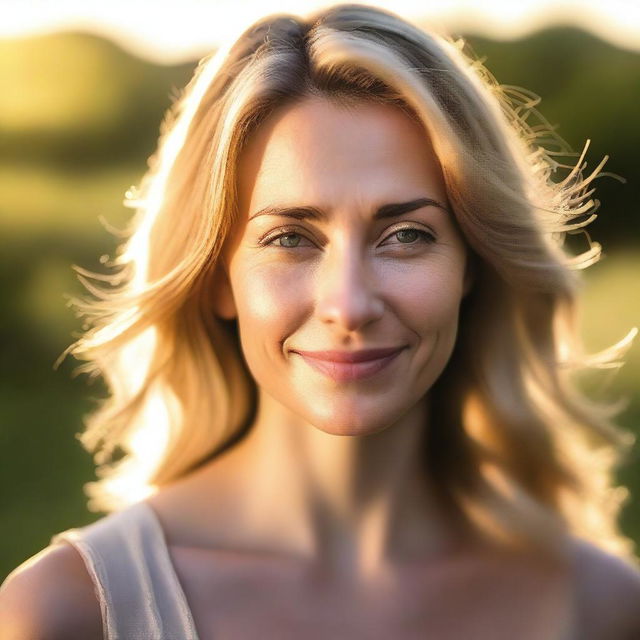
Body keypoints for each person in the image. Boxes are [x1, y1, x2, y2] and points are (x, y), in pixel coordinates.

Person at [1, 3, 640, 639]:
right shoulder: (71, 613)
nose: (350, 305)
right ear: (218, 277)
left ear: (473, 265)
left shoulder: (600, 606)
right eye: (289, 239)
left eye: (407, 235)